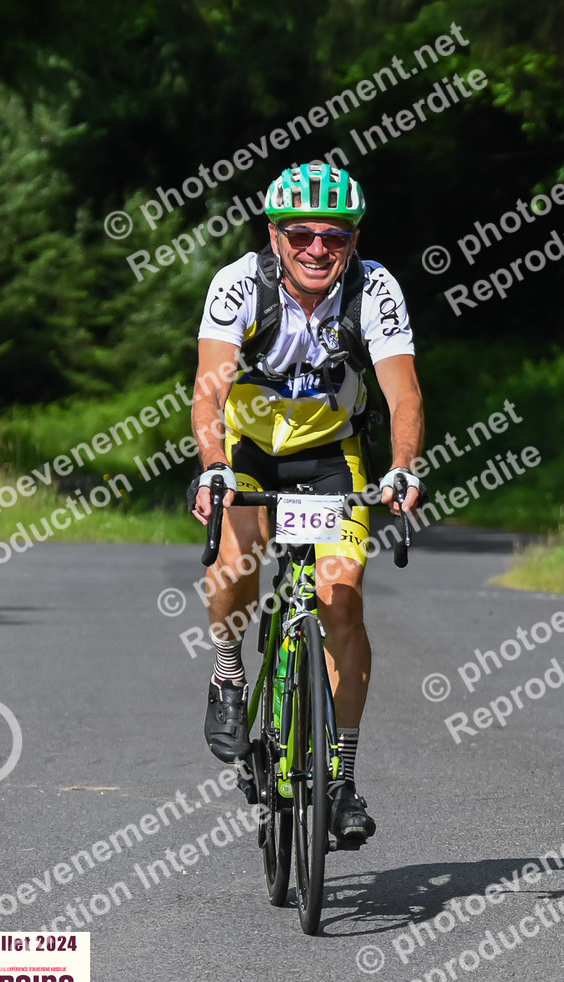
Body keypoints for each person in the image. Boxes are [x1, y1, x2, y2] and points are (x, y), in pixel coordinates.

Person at [188, 161, 424, 848]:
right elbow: (209, 389)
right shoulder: (239, 285)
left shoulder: (374, 288)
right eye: (301, 236)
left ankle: (342, 779)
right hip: (249, 452)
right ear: (275, 236)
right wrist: (213, 467)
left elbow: (404, 394)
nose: (318, 249)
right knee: (235, 564)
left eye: (335, 237)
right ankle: (229, 674)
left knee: (340, 597)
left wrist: (402, 467)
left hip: (329, 457)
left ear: (354, 240)